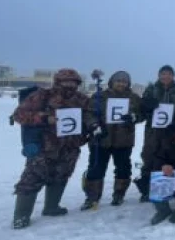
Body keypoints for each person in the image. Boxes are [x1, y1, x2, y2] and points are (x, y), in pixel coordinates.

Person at [11, 69, 97, 229]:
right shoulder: (42, 96)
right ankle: (21, 217)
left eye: (73, 82)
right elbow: (19, 115)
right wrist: (44, 118)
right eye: (66, 81)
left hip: (70, 147)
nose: (70, 85)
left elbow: (88, 114)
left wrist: (92, 123)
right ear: (58, 81)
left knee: (61, 176)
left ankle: (51, 207)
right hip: (44, 147)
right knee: (31, 179)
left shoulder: (82, 99)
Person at [81, 71, 144, 210]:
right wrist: (94, 126)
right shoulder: (100, 96)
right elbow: (88, 113)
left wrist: (134, 117)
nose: (121, 83)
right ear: (112, 82)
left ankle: (119, 194)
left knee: (123, 168)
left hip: (124, 140)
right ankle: (92, 197)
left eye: (124, 81)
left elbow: (142, 114)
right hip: (101, 139)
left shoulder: (134, 98)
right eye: (118, 81)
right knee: (96, 168)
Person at [135, 65, 175, 202]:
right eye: (163, 74)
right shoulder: (151, 89)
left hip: (169, 131)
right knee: (149, 156)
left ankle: (164, 186)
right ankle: (146, 190)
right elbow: (142, 109)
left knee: (166, 156)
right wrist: (147, 106)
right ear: (159, 75)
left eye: (169, 74)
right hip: (152, 130)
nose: (166, 76)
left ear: (173, 76)